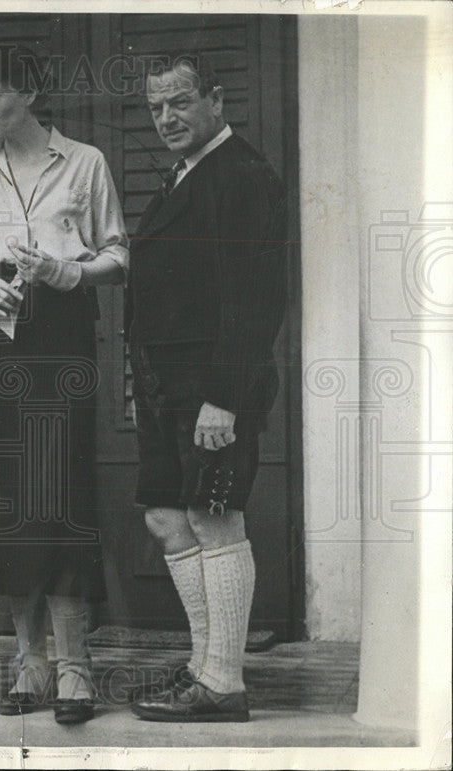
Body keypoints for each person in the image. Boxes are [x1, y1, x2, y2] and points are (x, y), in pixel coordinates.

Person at [0, 46, 129, 725]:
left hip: (60, 328)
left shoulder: (85, 162)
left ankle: (76, 662)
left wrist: (69, 271)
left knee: (61, 490)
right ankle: (31, 659)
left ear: (29, 93)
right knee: (6, 495)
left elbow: (117, 252)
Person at [126, 54, 288, 722]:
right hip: (168, 384)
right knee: (166, 517)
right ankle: (202, 665)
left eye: (180, 102)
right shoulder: (185, 175)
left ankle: (222, 681)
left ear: (217, 100)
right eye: (156, 106)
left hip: (213, 382)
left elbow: (257, 296)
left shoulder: (244, 176)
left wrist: (223, 395)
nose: (166, 118)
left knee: (215, 517)